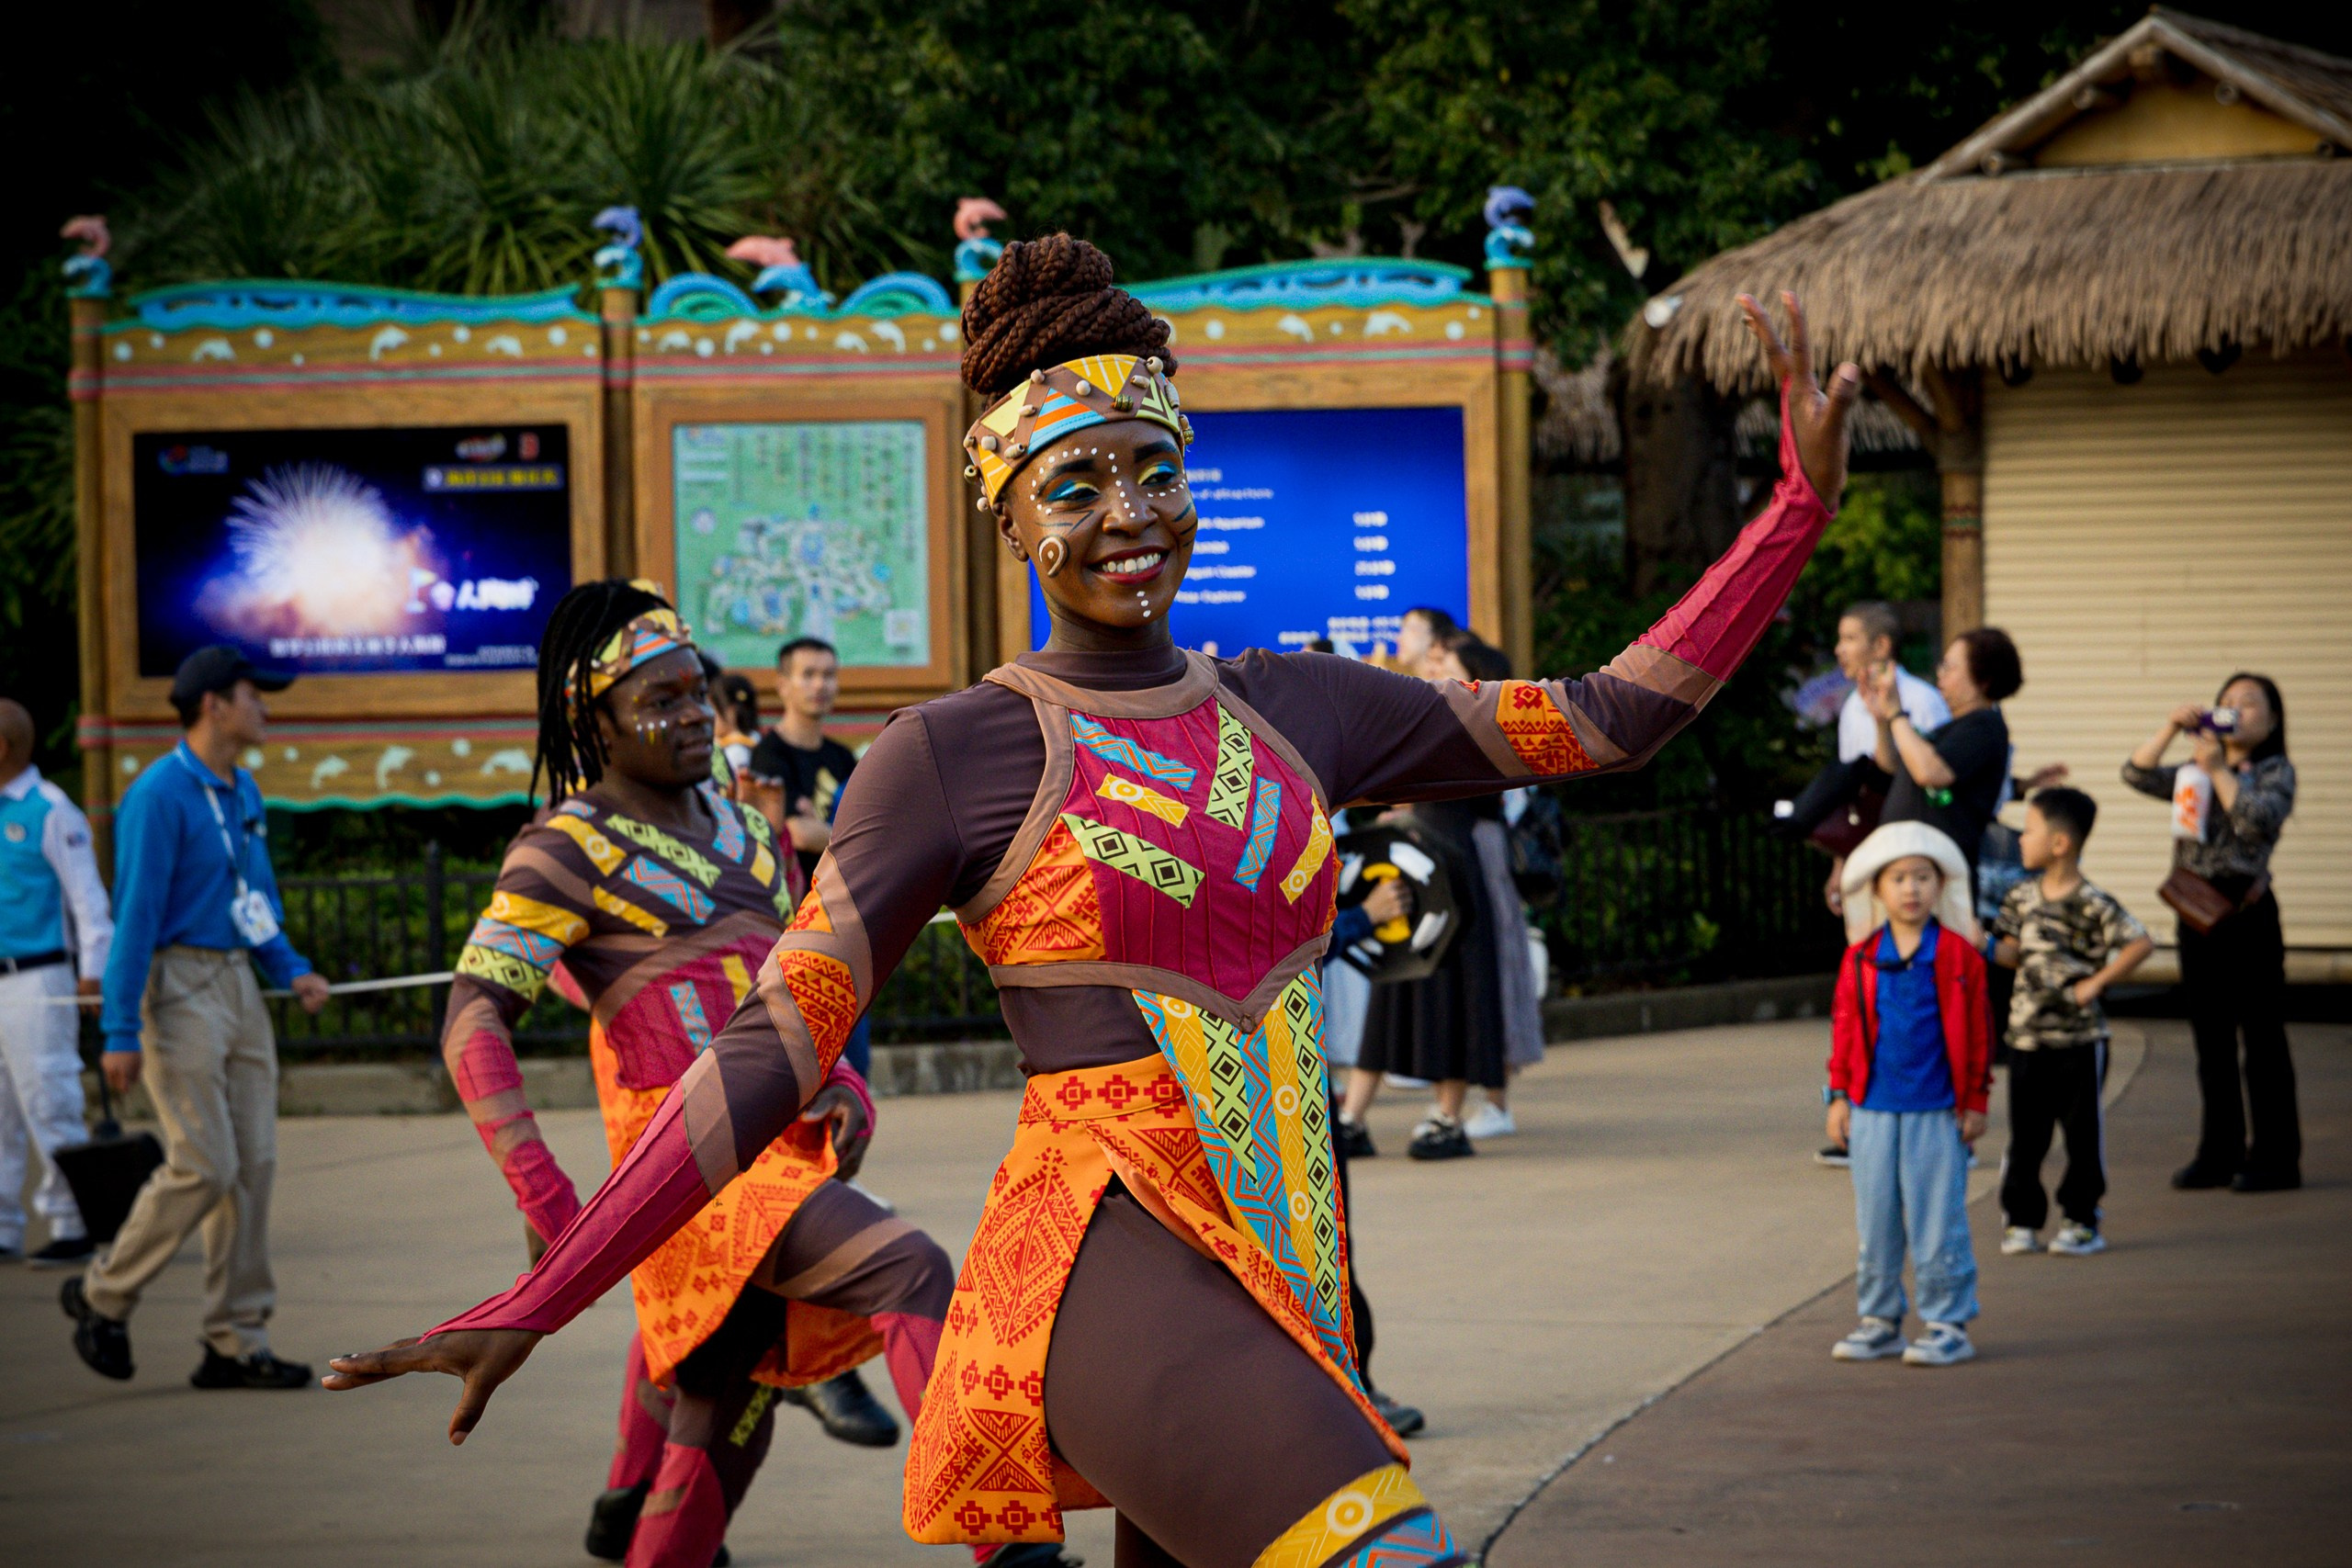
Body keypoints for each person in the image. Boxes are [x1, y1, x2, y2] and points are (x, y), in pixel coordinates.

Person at [325, 238, 1856, 1568]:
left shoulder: (1298, 707)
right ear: (1010, 518)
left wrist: (1793, 509)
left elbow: (1605, 720)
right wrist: (543, 1287)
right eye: (1076, 482)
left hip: (1286, 1266)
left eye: (1155, 468)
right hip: (1111, 1266)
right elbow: (770, 1046)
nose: (1128, 510)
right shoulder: (951, 755)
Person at [440, 580, 987, 1568]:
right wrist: (548, 1195)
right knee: (909, 1266)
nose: (691, 716)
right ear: (590, 720)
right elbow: (473, 1021)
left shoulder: (745, 831)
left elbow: (809, 984)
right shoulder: (563, 848)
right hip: (689, 1166)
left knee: (725, 1401)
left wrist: (845, 1087)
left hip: (784, 1148)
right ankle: (1004, 1541)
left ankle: (637, 1519)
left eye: (697, 693)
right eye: (660, 701)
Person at [62, 646, 330, 1386]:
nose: (266, 708)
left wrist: (291, 968)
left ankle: (236, 1340)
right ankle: (101, 1293)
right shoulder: (158, 794)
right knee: (206, 1162)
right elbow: (136, 916)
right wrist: (119, 1030)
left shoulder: (243, 789)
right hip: (176, 986)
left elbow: (258, 899)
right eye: (255, 695)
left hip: (238, 984)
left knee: (255, 1165)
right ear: (214, 703)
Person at [2123, 674, 2299, 1192]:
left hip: (2247, 915)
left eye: (2249, 703)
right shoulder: (2194, 768)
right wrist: (2169, 729)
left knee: (2262, 1039)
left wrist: (2219, 769)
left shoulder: (2275, 771)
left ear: (2272, 719)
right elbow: (2135, 773)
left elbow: (2254, 821)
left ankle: (2275, 1158)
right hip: (2196, 913)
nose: (2235, 711)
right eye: (2226, 703)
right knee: (2211, 1039)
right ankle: (2218, 1152)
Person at [1826, 821, 1993, 1368]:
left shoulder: (1958, 958)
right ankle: (1880, 1320)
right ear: (1876, 889)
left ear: (1940, 886)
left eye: (1923, 877)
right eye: (1898, 878)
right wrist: (1837, 1095)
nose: (1911, 889)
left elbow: (1979, 1032)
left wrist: (1975, 1101)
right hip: (1872, 1109)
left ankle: (1947, 1322)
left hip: (1936, 1110)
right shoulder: (1860, 958)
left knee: (1936, 1218)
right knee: (1875, 1219)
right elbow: (1845, 1027)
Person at [1343, 636, 1510, 1162]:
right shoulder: (1422, 715)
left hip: (1453, 871)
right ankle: (1351, 1117)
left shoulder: (1483, 723)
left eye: (1444, 660)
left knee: (1455, 990)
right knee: (1394, 981)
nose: (1431, 665)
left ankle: (1446, 1116)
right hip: (1415, 865)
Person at [1988, 787, 2152, 1258]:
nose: (2021, 838)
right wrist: (1976, 941)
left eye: (2032, 829)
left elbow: (2140, 942)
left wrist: (2096, 983)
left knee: (2082, 1136)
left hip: (2079, 1042)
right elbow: (2009, 954)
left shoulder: (2092, 902)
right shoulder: (2019, 897)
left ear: (2060, 843)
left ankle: (2081, 1220)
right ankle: (2021, 1220)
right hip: (2025, 1040)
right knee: (2026, 1135)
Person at [0, 698, 114, 1265]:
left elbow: (88, 901)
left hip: (38, 979)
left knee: (49, 1100)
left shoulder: (51, 809)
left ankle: (71, 1222)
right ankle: (4, 1226)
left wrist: (94, 975)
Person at [751, 637, 873, 1077]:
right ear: (782, 684)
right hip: (787, 935)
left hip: (843, 927)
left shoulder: (842, 758)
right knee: (800, 1072)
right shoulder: (767, 755)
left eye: (829, 674)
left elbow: (872, 838)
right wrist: (837, 834)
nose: (820, 685)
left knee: (854, 1070)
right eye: (808, 674)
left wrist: (823, 832)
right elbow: (795, 833)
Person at [1860, 626, 2023, 899]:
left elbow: (1930, 773)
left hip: (1940, 879)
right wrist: (1882, 720)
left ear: (1983, 679)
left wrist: (1897, 712)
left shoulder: (1985, 724)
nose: (1940, 673)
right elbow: (1893, 767)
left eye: (1950, 667)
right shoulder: (1954, 727)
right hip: (1910, 874)